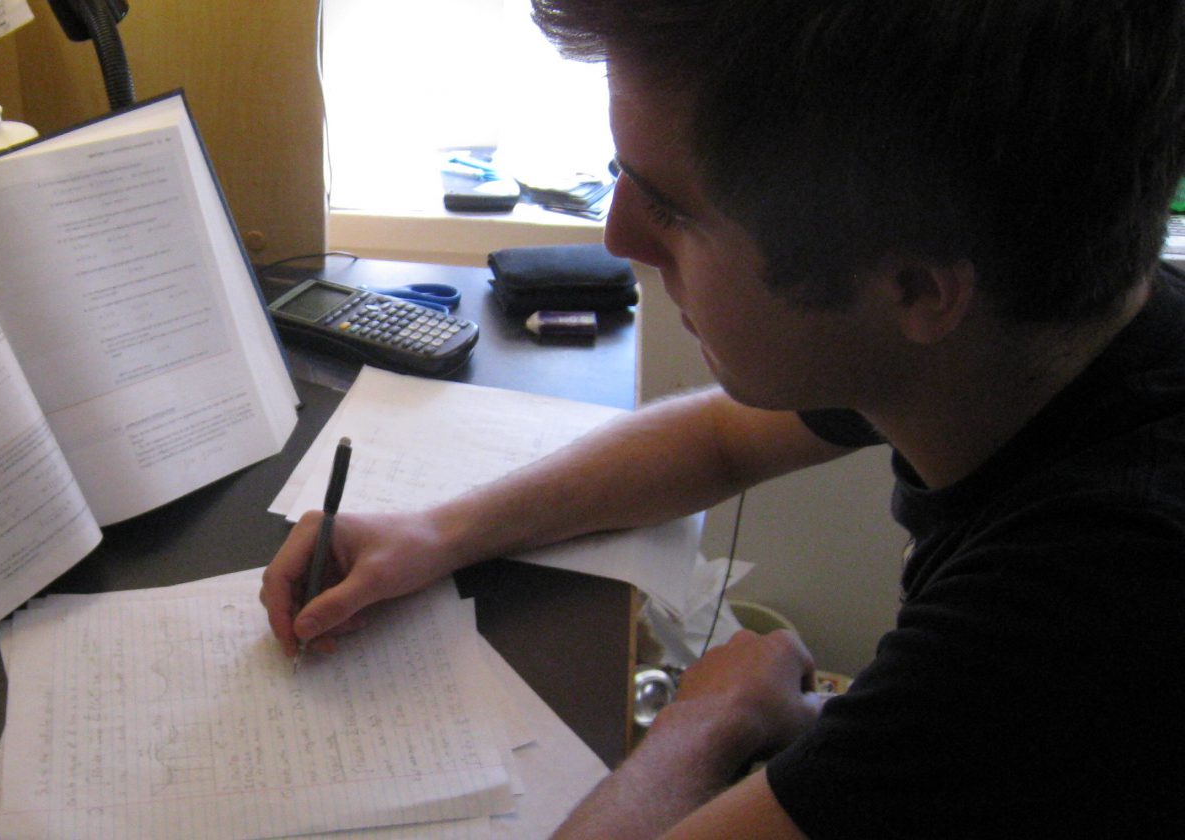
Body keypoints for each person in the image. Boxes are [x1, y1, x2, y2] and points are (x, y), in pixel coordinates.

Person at [260, 2, 1185, 837]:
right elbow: (712, 441)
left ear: (915, 288)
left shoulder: (1079, 623)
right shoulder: (1030, 334)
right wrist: (434, 531)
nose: (620, 237)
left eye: (672, 207)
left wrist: (708, 722)